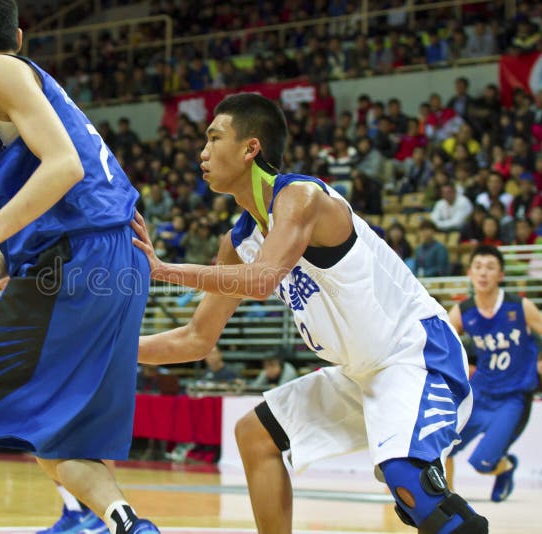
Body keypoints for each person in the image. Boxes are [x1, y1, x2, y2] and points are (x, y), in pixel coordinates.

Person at [133, 93, 487, 533]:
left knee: (411, 483)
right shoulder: (237, 242)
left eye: (214, 138)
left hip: (414, 354)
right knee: (255, 434)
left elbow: (263, 280)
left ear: (250, 148)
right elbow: (195, 339)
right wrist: (114, 350)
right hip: (359, 373)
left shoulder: (303, 197)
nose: (202, 152)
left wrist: (165, 270)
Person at [0, 2, 155, 533]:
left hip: (79, 256)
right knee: (64, 442)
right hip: (119, 260)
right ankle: (132, 526)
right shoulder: (25, 86)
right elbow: (33, 236)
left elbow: (64, 166)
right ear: (19, 34)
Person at [445, 245, 542, 502]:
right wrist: (460, 368)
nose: (483, 273)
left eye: (490, 268)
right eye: (478, 267)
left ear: (500, 275)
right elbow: (441, 343)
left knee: (482, 464)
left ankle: (507, 466)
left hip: (513, 397)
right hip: (479, 393)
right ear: (469, 273)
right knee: (443, 447)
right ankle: (447, 500)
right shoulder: (463, 311)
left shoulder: (519, 306)